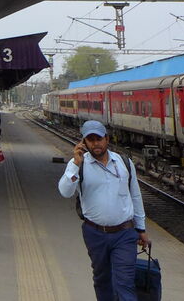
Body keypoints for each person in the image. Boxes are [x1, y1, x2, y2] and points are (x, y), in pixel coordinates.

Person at [58, 120, 149, 301]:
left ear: (107, 139)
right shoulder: (79, 164)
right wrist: (75, 164)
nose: (95, 144)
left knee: (124, 283)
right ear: (84, 142)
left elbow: (135, 196)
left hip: (125, 233)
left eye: (99, 139)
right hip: (95, 233)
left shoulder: (124, 162)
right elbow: (65, 191)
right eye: (90, 140)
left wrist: (141, 228)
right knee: (103, 280)